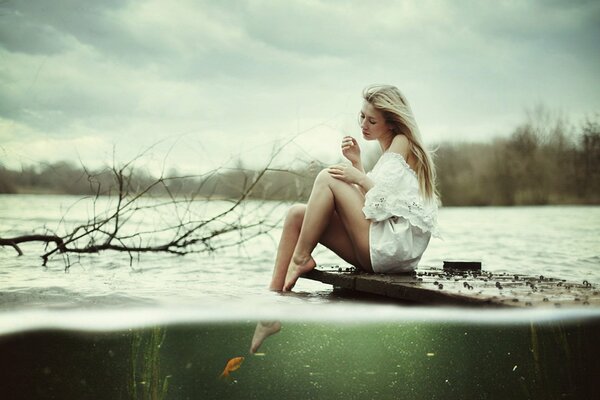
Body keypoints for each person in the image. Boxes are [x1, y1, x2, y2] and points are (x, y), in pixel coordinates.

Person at [250, 84, 439, 352]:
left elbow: (384, 206)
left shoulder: (402, 142)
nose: (363, 124)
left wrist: (357, 176)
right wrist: (358, 165)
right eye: (362, 116)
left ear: (392, 122)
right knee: (295, 215)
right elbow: (376, 203)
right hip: (381, 248)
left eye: (372, 120)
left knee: (329, 175)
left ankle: (302, 258)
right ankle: (269, 313)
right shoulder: (390, 152)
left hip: (390, 249)